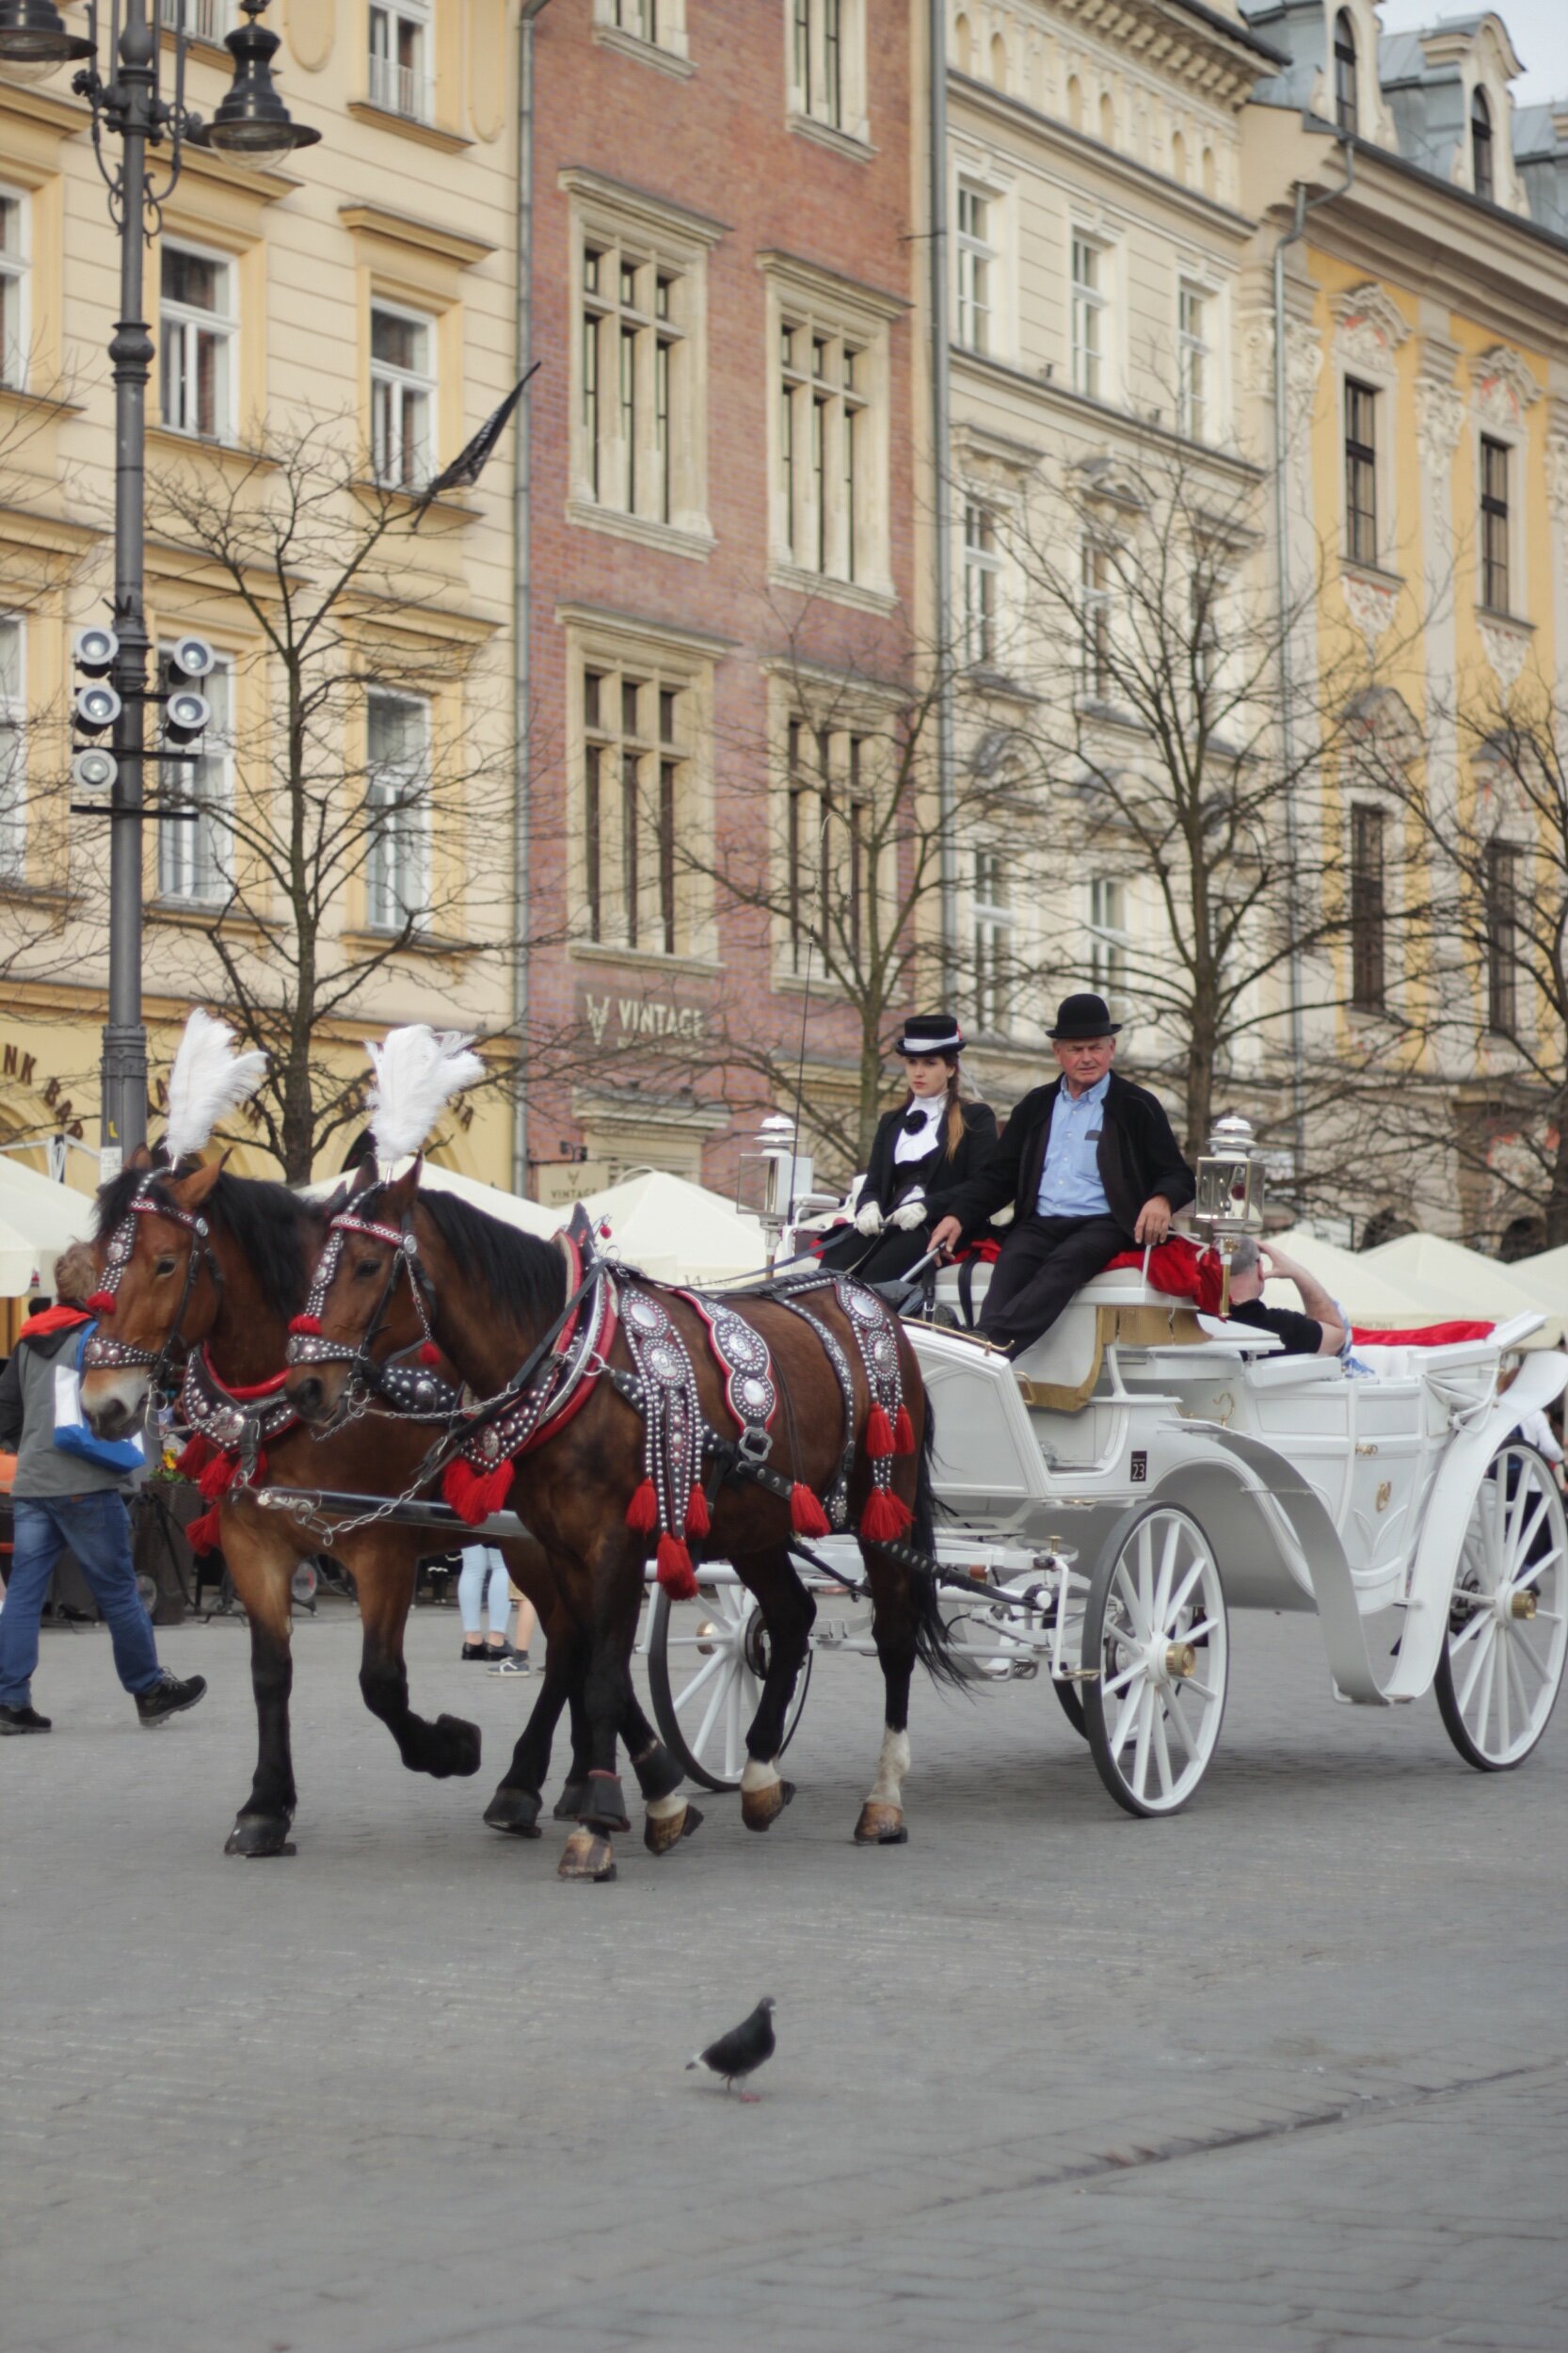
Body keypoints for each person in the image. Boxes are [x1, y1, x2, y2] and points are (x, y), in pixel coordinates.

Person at [0, 1243, 206, 1736]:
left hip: (33, 1484)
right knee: (117, 1591)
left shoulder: (28, 1340)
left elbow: (5, 1411)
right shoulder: (98, 1337)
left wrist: (31, 1445)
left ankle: (10, 1701)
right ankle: (150, 1689)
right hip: (87, 1485)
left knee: (25, 1595)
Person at [930, 992, 1194, 1358]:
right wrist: (958, 1214)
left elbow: (1178, 1174)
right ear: (1058, 1053)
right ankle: (987, 1355)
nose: (1087, 1057)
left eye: (1095, 1047)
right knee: (1011, 1266)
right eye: (1076, 1049)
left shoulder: (1137, 1105)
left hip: (1103, 1222)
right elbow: (999, 1176)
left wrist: (1161, 1199)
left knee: (1064, 1265)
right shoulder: (1035, 1105)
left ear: (1111, 1048)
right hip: (1039, 1221)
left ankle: (982, 1347)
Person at [819, 1013, 998, 1286]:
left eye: (929, 1063)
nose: (918, 1072)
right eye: (912, 1062)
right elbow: (874, 1183)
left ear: (950, 1068)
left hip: (941, 1226)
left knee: (874, 1280)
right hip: (891, 1224)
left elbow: (984, 1184)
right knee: (828, 1272)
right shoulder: (892, 1121)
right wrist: (868, 1206)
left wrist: (927, 1207)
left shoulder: (976, 1116)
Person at [1222, 1237, 1349, 1358]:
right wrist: (1297, 1272)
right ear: (1260, 1269)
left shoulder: (1203, 1322)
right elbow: (1337, 1337)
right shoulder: (1284, 1327)